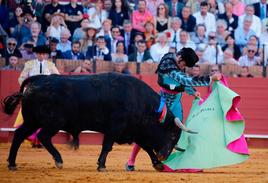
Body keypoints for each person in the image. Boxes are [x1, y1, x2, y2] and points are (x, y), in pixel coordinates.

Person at [126, 47, 222, 171]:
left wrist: (192, 92)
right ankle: (131, 160)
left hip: (175, 103)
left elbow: (181, 84)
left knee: (178, 133)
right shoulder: (168, 65)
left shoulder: (176, 62)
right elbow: (184, 80)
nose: (184, 67)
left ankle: (172, 161)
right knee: (146, 132)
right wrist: (210, 79)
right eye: (184, 64)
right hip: (163, 103)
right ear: (180, 58)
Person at [15, 45, 60, 148]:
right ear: (36, 54)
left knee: (45, 118)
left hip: (46, 96)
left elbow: (58, 77)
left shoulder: (51, 65)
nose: (41, 56)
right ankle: (32, 140)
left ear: (46, 55)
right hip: (32, 95)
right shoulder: (29, 64)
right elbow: (21, 78)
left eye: (43, 54)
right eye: (39, 54)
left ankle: (40, 140)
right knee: (31, 117)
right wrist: (27, 89)